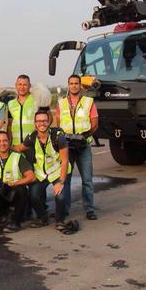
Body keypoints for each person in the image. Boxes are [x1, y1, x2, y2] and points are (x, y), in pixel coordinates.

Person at [16, 109, 71, 229]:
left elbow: (65, 160)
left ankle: (60, 220)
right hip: (41, 173)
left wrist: (61, 182)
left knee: (60, 195)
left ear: (49, 122)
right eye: (39, 121)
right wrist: (2, 148)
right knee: (34, 195)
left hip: (57, 171)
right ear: (35, 123)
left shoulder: (58, 137)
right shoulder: (31, 137)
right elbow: (19, 148)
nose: (42, 123)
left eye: (45, 121)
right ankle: (43, 218)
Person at [55, 75, 99, 220]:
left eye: (76, 83)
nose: (74, 86)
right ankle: (65, 208)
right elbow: (59, 124)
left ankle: (89, 209)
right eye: (71, 83)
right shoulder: (61, 103)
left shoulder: (89, 102)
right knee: (66, 179)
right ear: (68, 85)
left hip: (83, 146)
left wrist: (85, 136)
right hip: (67, 147)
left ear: (80, 86)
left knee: (87, 179)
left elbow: (95, 123)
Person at [7, 74, 37, 147]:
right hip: (16, 145)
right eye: (20, 84)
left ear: (29, 86)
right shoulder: (10, 103)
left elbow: (49, 119)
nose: (22, 87)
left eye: (25, 85)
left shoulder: (37, 100)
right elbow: (9, 125)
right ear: (16, 85)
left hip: (33, 145)